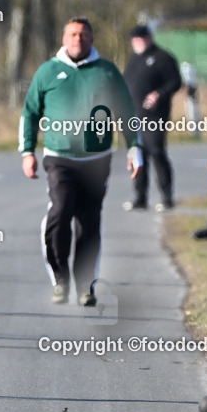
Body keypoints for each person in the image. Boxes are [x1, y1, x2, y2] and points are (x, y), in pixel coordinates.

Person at [20, 17, 142, 306]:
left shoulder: (107, 72)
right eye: (73, 34)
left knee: (89, 223)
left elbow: (127, 111)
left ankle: (86, 286)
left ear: (91, 39)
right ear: (64, 38)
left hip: (96, 160)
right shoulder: (48, 72)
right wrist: (27, 152)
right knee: (60, 212)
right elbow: (30, 113)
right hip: (59, 158)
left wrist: (134, 148)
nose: (78, 39)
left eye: (84, 34)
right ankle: (60, 279)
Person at [122, 25, 182, 212]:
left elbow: (175, 81)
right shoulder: (133, 60)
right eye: (134, 40)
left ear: (149, 38)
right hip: (133, 115)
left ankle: (167, 197)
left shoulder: (163, 58)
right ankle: (140, 197)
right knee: (137, 156)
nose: (137, 43)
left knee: (156, 151)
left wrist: (159, 94)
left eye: (140, 39)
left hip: (154, 116)